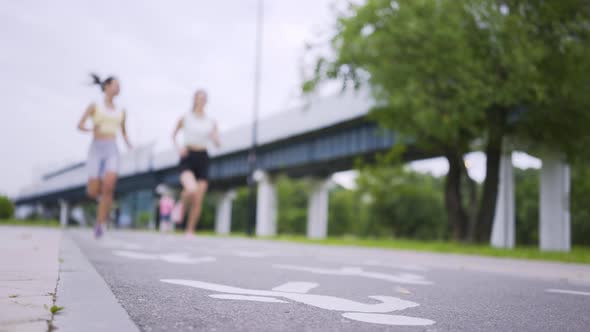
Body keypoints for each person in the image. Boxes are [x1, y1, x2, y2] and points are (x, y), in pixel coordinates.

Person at [77, 74, 132, 238]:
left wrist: (129, 145)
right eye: (115, 85)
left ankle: (100, 224)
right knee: (93, 191)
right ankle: (99, 197)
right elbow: (79, 125)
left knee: (109, 187)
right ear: (106, 86)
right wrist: (90, 130)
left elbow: (123, 132)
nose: (118, 88)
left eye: (119, 85)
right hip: (96, 148)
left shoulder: (121, 110)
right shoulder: (95, 105)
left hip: (112, 149)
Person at [172, 89, 220, 238]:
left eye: (204, 99)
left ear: (206, 101)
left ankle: (190, 230)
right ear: (194, 100)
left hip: (203, 157)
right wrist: (179, 148)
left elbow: (218, 143)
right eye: (199, 98)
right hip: (188, 155)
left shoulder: (211, 121)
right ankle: (181, 204)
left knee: (198, 199)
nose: (201, 101)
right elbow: (173, 135)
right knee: (191, 189)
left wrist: (214, 138)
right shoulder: (186, 117)